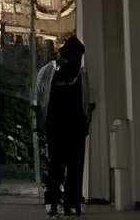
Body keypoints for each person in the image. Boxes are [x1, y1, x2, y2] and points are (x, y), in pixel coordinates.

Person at [33, 36, 93, 216]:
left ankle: (71, 201)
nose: (77, 61)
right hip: (56, 125)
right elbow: (39, 98)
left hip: (75, 126)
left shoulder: (81, 75)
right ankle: (53, 200)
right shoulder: (48, 72)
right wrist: (39, 122)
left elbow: (87, 100)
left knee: (74, 166)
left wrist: (87, 119)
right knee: (56, 165)